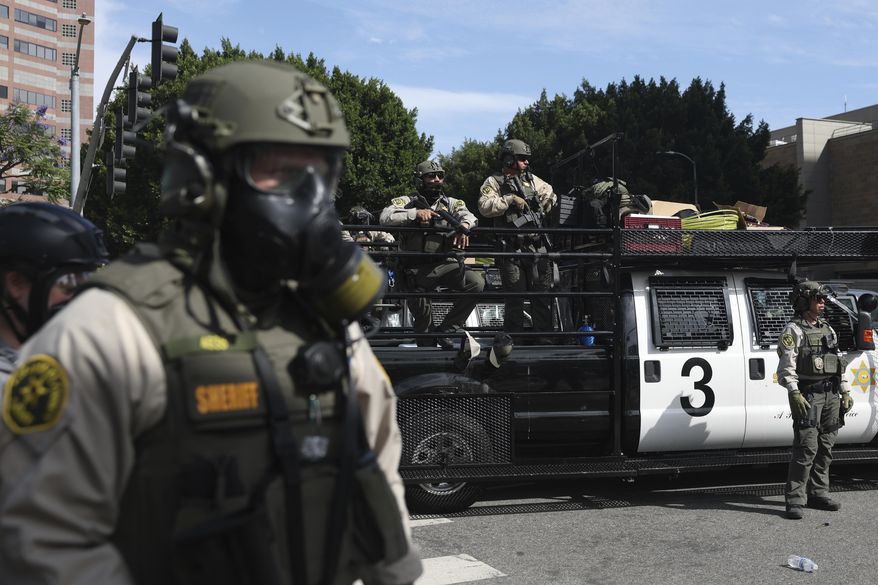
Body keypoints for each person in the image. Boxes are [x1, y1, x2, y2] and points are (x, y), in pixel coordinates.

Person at [0, 61, 422, 585]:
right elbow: (41, 544)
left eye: (320, 173)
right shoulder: (109, 329)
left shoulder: (327, 321)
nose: (309, 198)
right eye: (280, 170)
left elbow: (377, 470)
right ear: (201, 176)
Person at [0, 202, 109, 386]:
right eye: (69, 284)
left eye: (89, 281)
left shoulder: (46, 357)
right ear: (16, 284)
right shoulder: (10, 389)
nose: (83, 300)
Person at [380, 160, 484, 350]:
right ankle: (428, 353)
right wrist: (415, 214)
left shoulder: (451, 203)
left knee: (476, 283)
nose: (437, 180)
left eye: (440, 176)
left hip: (445, 264)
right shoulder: (406, 201)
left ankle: (447, 330)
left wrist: (464, 227)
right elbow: (385, 216)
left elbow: (469, 216)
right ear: (420, 180)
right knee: (423, 322)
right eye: (431, 176)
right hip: (415, 269)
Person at [776, 280, 853, 520]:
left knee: (826, 446)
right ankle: (795, 500)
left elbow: (837, 363)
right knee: (806, 447)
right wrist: (794, 392)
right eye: (817, 299)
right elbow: (786, 367)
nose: (822, 303)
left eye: (823, 300)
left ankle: (818, 493)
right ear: (804, 301)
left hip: (830, 394)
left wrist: (845, 391)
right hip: (808, 394)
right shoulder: (793, 330)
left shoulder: (827, 329)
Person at [478, 139, 557, 344]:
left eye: (527, 159)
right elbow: (484, 207)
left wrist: (547, 201)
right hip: (511, 249)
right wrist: (510, 200)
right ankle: (515, 340)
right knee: (515, 298)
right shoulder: (494, 182)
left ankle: (544, 337)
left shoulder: (532, 180)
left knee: (542, 295)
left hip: (536, 246)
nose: (526, 163)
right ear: (509, 159)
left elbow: (550, 192)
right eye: (522, 159)